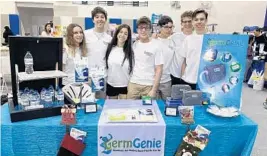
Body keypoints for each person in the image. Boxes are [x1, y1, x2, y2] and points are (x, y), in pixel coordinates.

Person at [127, 16, 164, 99]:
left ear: (150, 29)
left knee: (148, 110)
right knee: (130, 110)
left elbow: (159, 69)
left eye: (146, 28)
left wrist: (154, 90)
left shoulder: (156, 45)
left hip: (149, 87)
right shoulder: (134, 44)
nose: (143, 30)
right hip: (133, 85)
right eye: (140, 28)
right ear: (137, 30)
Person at [180, 9, 208, 90]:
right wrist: (182, 77)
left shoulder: (212, 39)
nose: (199, 22)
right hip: (188, 80)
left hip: (206, 82)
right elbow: (184, 61)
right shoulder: (188, 39)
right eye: (196, 19)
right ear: (193, 22)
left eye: (202, 19)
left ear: (206, 21)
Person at [104, 24, 134, 99]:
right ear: (117, 33)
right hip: (111, 84)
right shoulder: (109, 48)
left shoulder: (131, 51)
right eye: (121, 32)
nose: (122, 35)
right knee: (112, 109)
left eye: (125, 33)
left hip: (125, 85)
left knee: (124, 109)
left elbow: (133, 69)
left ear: (128, 37)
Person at [170, 11, 193, 86]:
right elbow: (162, 39)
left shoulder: (197, 38)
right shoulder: (175, 36)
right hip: (175, 75)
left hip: (190, 77)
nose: (187, 24)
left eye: (189, 21)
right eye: (185, 22)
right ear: (181, 24)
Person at [155, 16, 175, 99]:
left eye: (171, 27)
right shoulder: (153, 41)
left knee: (167, 107)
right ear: (159, 27)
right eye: (166, 27)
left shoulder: (173, 41)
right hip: (153, 80)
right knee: (152, 105)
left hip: (167, 81)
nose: (169, 29)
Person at [62, 23, 87, 88]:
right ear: (70, 35)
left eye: (81, 32)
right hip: (68, 86)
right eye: (75, 33)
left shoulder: (83, 49)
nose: (79, 35)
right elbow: (60, 69)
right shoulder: (66, 49)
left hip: (82, 85)